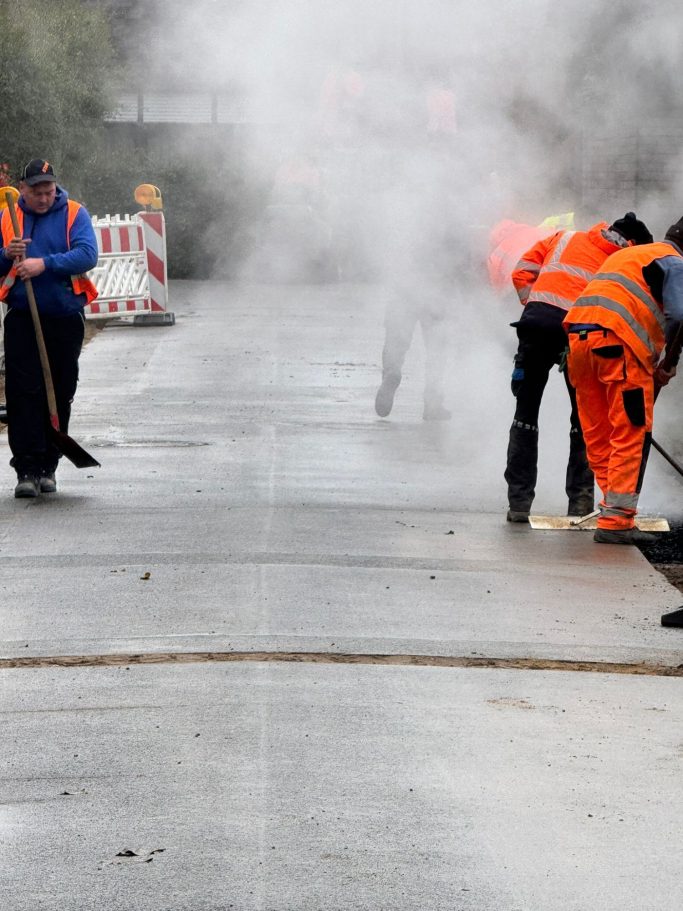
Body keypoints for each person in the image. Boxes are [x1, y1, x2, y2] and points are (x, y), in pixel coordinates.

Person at [504, 212, 653, 523]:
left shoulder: (565, 237)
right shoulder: (623, 262)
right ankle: (580, 503)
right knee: (587, 417)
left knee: (525, 414)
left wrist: (535, 305)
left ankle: (518, 504)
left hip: (535, 328)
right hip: (579, 335)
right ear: (634, 243)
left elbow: (521, 271)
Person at [563, 216, 683, 545]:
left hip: (578, 343)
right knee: (629, 432)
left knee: (599, 433)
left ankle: (612, 508)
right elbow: (680, 315)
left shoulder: (627, 255)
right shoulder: (675, 261)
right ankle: (616, 522)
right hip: (619, 348)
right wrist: (667, 362)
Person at [0, 158, 98, 498]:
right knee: (23, 392)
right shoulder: (9, 217)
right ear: (23, 190)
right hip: (23, 317)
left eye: (49, 190)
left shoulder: (74, 213)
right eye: (37, 192)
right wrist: (6, 254)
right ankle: (26, 468)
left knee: (59, 390)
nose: (44, 198)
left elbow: (87, 255)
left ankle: (49, 466)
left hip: (64, 316)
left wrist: (44, 264)